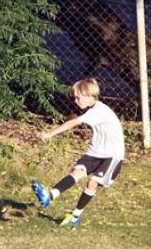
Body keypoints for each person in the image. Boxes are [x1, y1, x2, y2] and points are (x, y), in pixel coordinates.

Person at [31, 78, 125, 228]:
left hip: (111, 155)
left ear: (89, 95)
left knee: (92, 182)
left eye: (78, 97)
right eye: (74, 97)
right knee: (77, 172)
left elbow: (73, 123)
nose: (75, 100)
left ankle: (75, 216)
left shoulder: (99, 111)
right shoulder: (91, 110)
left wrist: (49, 134)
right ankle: (49, 196)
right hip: (95, 151)